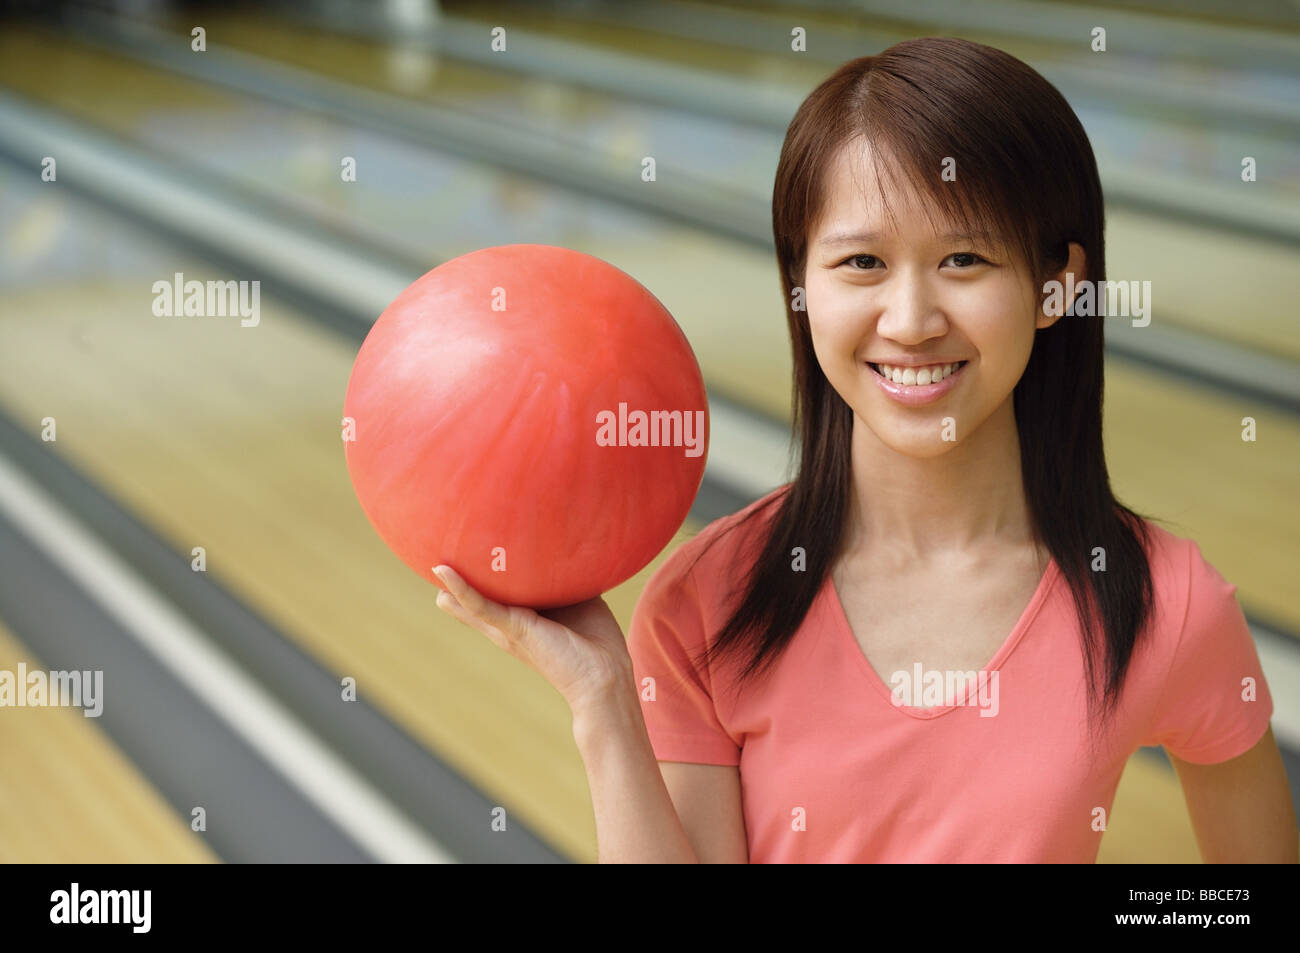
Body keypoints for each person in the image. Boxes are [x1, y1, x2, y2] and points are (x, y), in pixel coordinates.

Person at [431, 36, 1296, 863]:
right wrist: (603, 703)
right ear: (800, 283)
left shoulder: (1162, 601)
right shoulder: (710, 601)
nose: (912, 322)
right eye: (862, 264)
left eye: (964, 258)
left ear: (1055, 287)